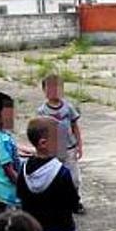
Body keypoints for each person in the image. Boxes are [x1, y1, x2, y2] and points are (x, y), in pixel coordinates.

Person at [37, 74, 85, 214]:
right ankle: (57, 202)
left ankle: (75, 201)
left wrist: (79, 145)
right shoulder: (42, 111)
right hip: (52, 150)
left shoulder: (68, 108)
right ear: (44, 91)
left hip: (69, 148)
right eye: (50, 88)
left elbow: (75, 126)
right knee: (53, 177)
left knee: (74, 178)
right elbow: (39, 131)